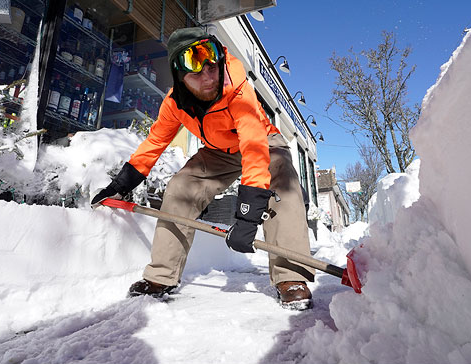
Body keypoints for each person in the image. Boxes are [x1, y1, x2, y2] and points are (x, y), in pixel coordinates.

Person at [92, 27, 315, 310]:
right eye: (196, 74)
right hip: (219, 150)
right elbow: (155, 141)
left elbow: (253, 148)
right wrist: (121, 184)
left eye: (212, 67)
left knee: (282, 184)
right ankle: (162, 276)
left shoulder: (237, 90)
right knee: (181, 187)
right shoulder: (175, 103)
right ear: (180, 77)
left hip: (263, 141)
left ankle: (291, 277)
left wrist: (247, 216)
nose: (209, 78)